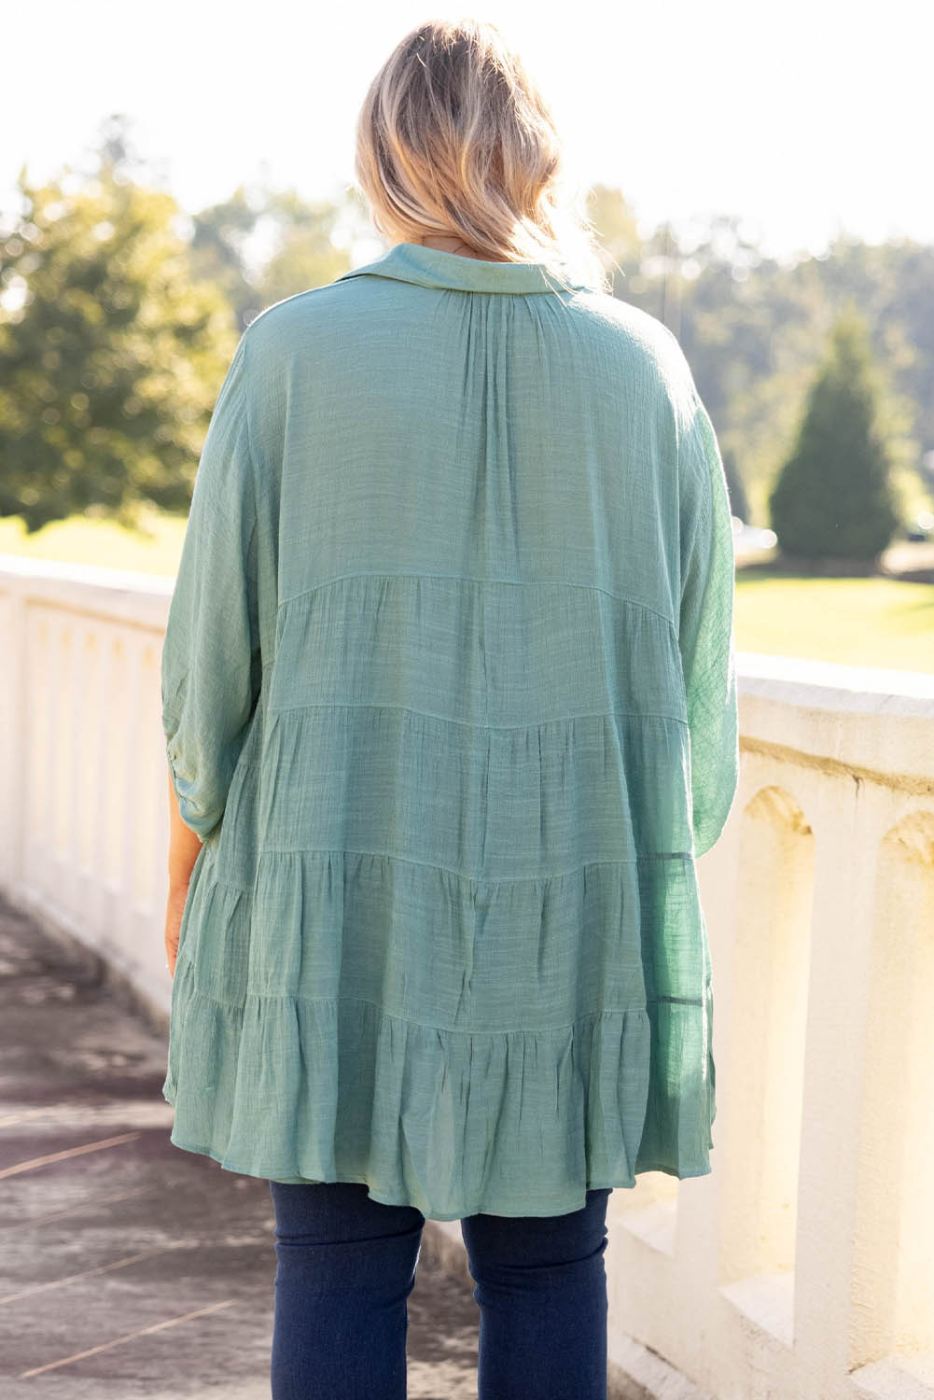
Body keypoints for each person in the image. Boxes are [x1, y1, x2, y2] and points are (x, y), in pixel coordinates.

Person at [160, 17, 739, 1400]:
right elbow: (697, 685)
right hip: (568, 896)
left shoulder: (291, 353)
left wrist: (188, 866)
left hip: (330, 881)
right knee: (548, 1270)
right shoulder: (644, 366)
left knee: (334, 1266)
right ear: (537, 155)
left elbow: (210, 664)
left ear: (380, 157)